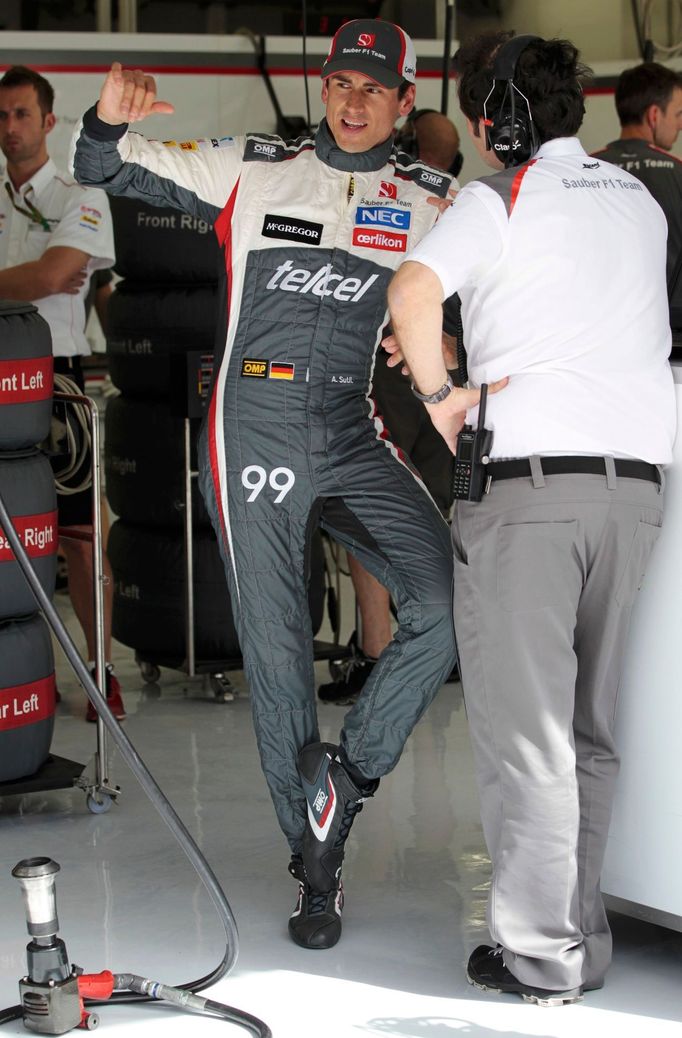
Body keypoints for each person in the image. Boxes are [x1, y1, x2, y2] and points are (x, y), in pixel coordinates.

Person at [70, 19, 491, 950]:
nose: (350, 101)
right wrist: (103, 122)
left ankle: (346, 776)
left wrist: (456, 343)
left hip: (349, 422)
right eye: (340, 81)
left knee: (445, 598)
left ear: (404, 103)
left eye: (372, 88)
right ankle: (317, 867)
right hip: (250, 422)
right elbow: (106, 166)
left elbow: (490, 291)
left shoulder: (435, 199)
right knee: (276, 651)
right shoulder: (252, 166)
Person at [389, 31, 675, 1005]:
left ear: (496, 119)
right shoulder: (634, 197)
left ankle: (541, 959)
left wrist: (440, 396)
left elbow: (412, 287)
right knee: (588, 733)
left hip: (529, 495)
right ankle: (575, 941)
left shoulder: (494, 196)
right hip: (636, 492)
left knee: (528, 736)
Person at [319, 110, 462, 704]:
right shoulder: (459, 202)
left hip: (401, 368)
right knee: (436, 510)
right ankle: (424, 646)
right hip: (439, 369)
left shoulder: (407, 196)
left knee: (377, 510)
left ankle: (380, 650)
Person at [0, 66, 123, 722]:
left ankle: (100, 672)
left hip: (57, 381)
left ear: (48, 122)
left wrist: (31, 279)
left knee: (78, 537)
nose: (11, 128)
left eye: (22, 114)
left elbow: (51, 276)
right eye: (2, 116)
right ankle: (20, 672)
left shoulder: (84, 195)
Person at [592, 63, 682, 340]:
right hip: (671, 337)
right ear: (654, 115)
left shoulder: (582, 169)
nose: (680, 124)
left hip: (598, 334)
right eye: (678, 114)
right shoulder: (679, 171)